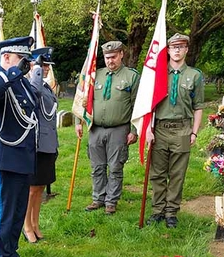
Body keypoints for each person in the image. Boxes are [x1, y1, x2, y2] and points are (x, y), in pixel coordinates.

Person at [0, 36, 42, 257]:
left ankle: (12, 252)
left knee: (17, 211)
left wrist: (24, 73)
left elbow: (33, 105)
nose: (25, 64)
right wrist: (14, 71)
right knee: (5, 211)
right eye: (21, 59)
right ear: (6, 58)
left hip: (23, 155)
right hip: (5, 156)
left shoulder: (21, 83)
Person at [146, 33, 204, 228]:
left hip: (182, 130)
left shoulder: (194, 76)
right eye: (174, 47)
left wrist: (194, 132)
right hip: (160, 129)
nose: (177, 50)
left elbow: (198, 107)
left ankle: (171, 212)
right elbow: (149, 104)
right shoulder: (158, 74)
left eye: (181, 47)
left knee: (177, 174)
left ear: (186, 49)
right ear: (168, 50)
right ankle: (157, 210)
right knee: (158, 174)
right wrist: (148, 129)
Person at [75, 41, 139, 215]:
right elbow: (83, 99)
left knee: (115, 167)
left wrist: (134, 131)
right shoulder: (96, 75)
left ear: (121, 55)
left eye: (113, 57)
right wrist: (78, 122)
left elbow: (136, 106)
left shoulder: (131, 76)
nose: (110, 61)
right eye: (107, 57)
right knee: (97, 166)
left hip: (119, 129)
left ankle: (111, 201)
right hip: (95, 128)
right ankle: (98, 198)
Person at [23, 47, 58, 243]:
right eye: (42, 65)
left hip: (47, 143)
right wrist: (34, 71)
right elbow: (33, 98)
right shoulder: (30, 84)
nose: (45, 69)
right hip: (35, 144)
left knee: (40, 187)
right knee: (32, 188)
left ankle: (35, 223)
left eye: (46, 66)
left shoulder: (45, 86)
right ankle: (26, 224)